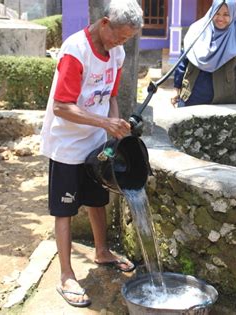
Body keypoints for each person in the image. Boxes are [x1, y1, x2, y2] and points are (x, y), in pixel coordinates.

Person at [39, 0, 143, 308]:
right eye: (118, 36)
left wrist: (113, 123)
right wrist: (104, 122)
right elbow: (61, 106)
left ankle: (102, 251)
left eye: (126, 40)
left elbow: (110, 94)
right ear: (105, 23)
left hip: (95, 141)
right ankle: (66, 275)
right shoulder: (76, 51)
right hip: (67, 143)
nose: (120, 44)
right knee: (65, 209)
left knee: (98, 200)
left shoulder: (118, 53)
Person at [171, 0, 236, 108]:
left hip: (225, 101)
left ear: (233, 14)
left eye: (226, 14)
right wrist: (176, 89)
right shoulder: (196, 31)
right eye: (217, 13)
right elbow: (182, 63)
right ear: (212, 11)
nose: (220, 18)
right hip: (191, 97)